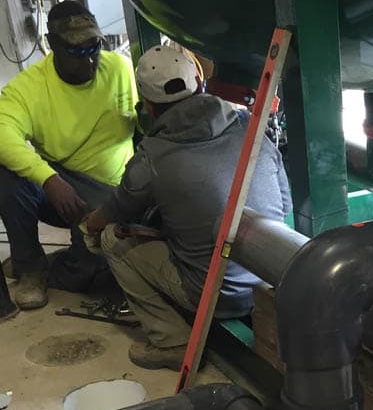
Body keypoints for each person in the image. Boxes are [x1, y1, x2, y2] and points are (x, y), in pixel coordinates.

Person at [85, 45, 292, 370]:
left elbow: (115, 211)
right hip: (271, 281)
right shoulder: (249, 127)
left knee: (112, 239)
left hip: (216, 297)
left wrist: (90, 226)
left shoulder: (151, 156)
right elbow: (285, 201)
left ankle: (171, 341)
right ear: (200, 81)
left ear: (148, 105)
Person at [0, 0, 137, 309]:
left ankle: (65, 262)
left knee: (93, 275)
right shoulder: (29, 87)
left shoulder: (119, 68)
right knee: (6, 175)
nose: (88, 59)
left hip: (112, 188)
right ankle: (30, 268)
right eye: (75, 51)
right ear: (52, 44)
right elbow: (2, 133)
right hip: (62, 188)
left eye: (93, 47)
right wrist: (49, 180)